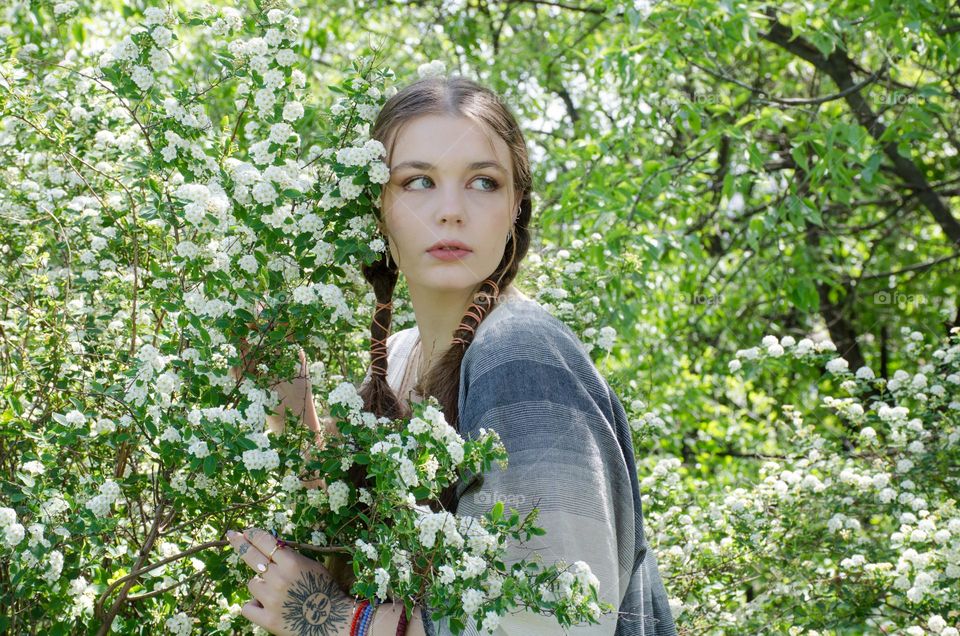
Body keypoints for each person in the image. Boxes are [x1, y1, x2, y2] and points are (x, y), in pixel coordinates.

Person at [227, 74, 678, 636]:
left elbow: (548, 623)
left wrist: (335, 622)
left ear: (516, 205)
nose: (450, 211)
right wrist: (287, 409)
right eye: (417, 181)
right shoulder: (397, 358)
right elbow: (347, 541)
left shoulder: (520, 357)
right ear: (378, 207)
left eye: (483, 183)